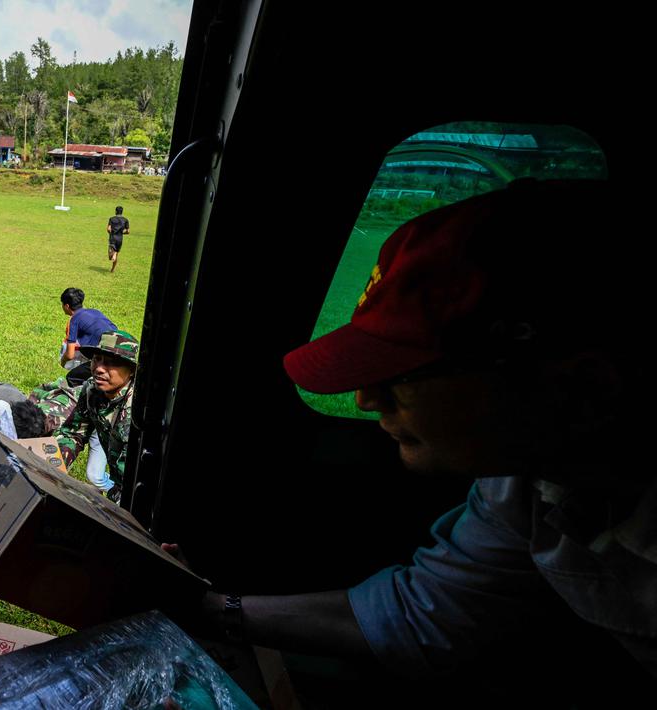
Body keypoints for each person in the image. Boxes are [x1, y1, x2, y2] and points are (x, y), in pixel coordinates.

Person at [169, 180, 655, 695]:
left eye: (403, 375)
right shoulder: (526, 483)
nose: (365, 399)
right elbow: (433, 610)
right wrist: (210, 609)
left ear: (581, 387)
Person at [55, 330, 139, 502]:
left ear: (131, 370)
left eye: (111, 363)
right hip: (119, 486)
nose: (99, 368)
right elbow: (74, 432)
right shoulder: (91, 391)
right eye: (96, 359)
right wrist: (52, 466)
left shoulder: (139, 408)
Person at [106, 206, 129, 272]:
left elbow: (108, 229)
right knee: (115, 254)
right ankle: (112, 269)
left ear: (116, 211)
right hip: (120, 239)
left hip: (113, 238)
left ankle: (114, 253)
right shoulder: (125, 220)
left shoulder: (111, 219)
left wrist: (110, 232)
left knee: (110, 256)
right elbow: (128, 231)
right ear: (122, 212)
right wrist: (122, 233)